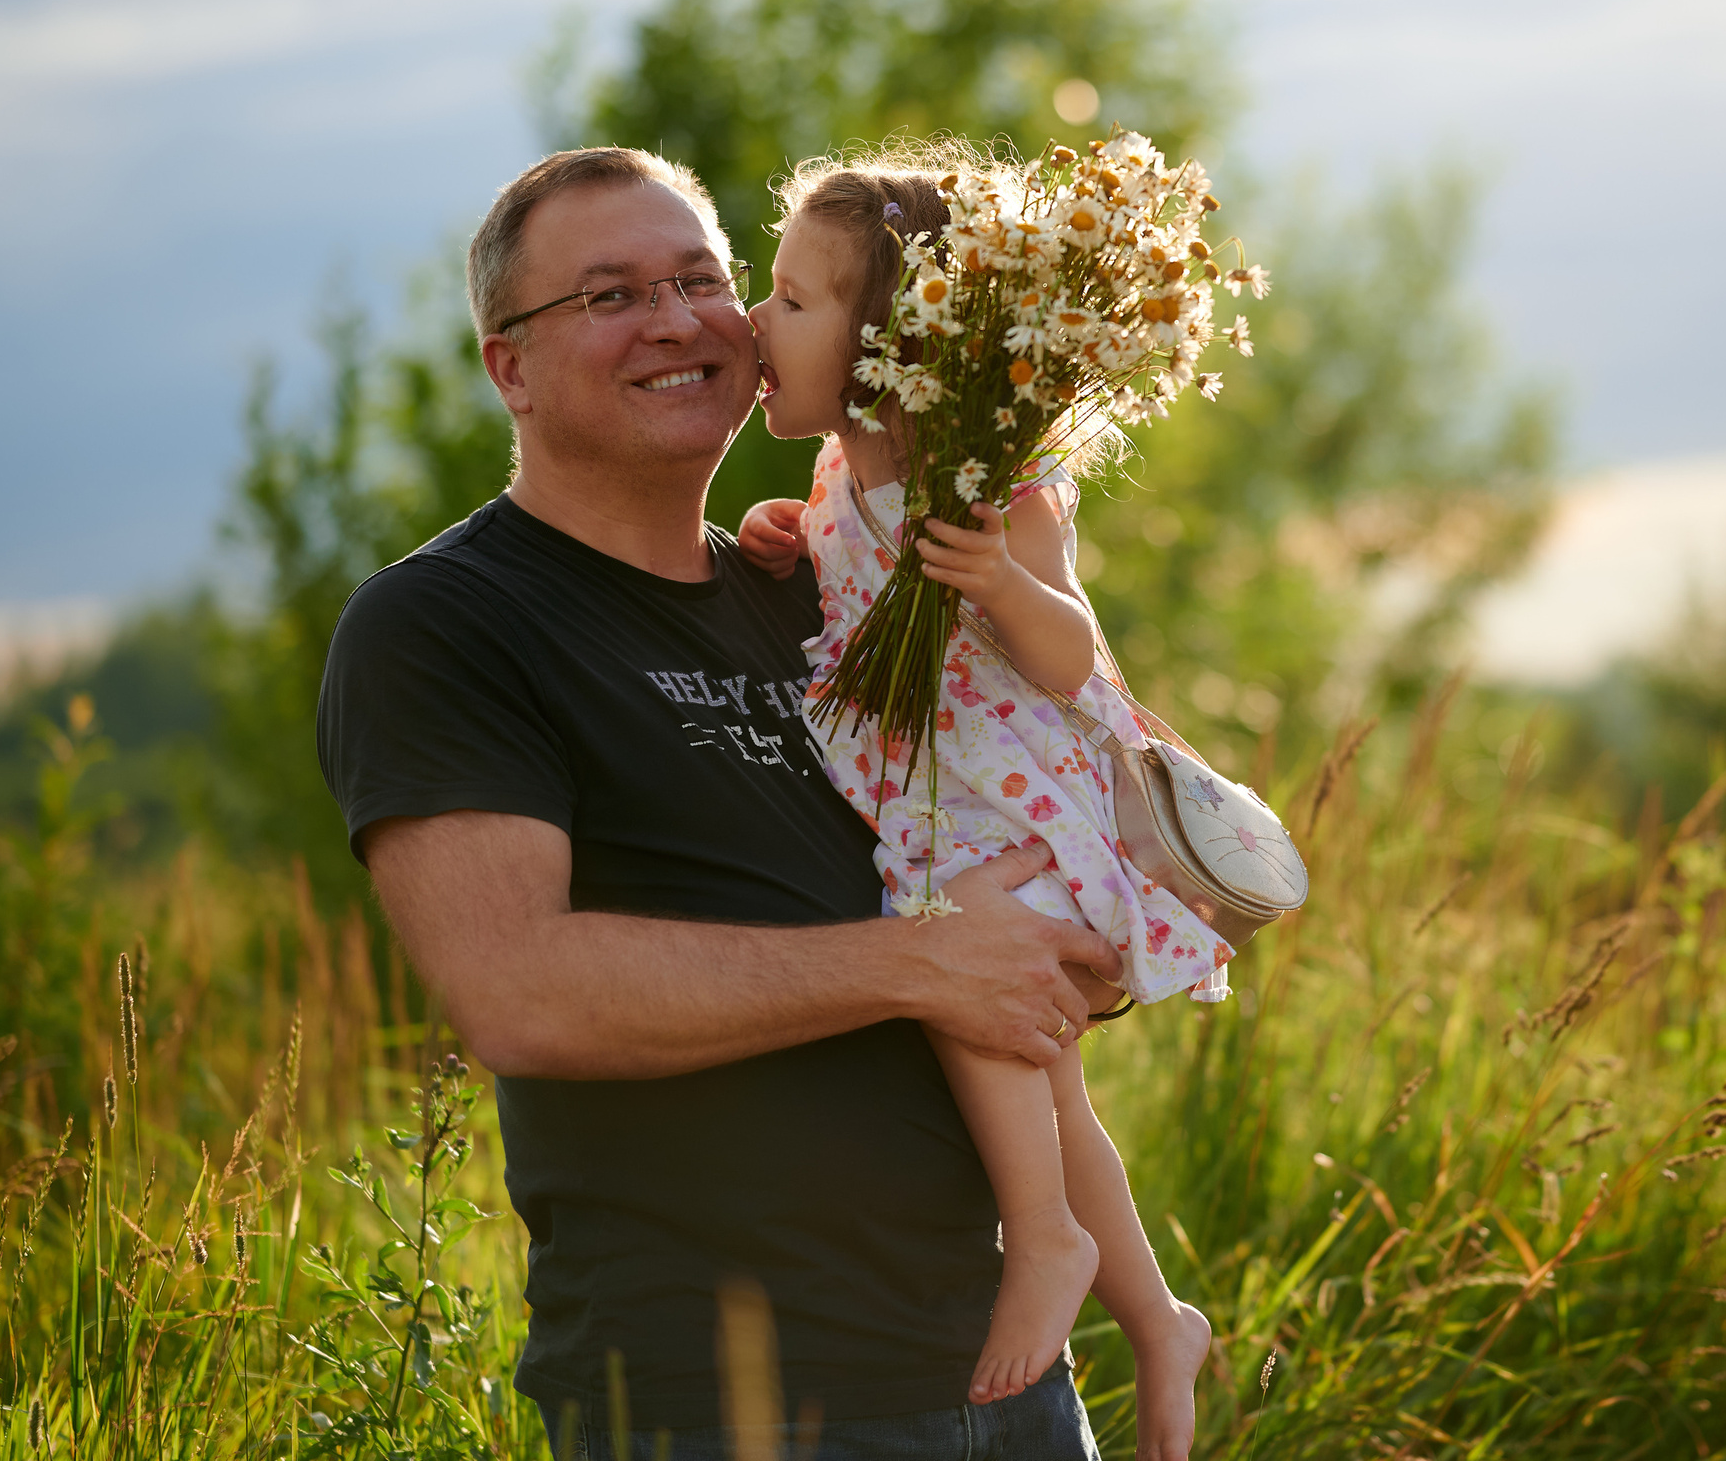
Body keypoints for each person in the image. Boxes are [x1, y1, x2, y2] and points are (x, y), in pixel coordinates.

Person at [315, 145, 1130, 1459]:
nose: (678, 319)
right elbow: (522, 992)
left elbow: (1028, 830)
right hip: (732, 1407)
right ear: (506, 366)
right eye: (608, 295)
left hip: (1007, 1381)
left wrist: (1079, 945)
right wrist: (922, 966)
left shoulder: (827, 585)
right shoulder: (447, 623)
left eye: (700, 279)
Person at [735, 151, 1220, 1461]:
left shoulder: (988, 475)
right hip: (934, 806)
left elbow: (1074, 660)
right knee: (1056, 1100)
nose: (751, 322)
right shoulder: (845, 475)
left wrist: (1005, 580)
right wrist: (798, 539)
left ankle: (1048, 1241)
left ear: (888, 335)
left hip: (1008, 815)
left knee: (969, 991)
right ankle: (1157, 1317)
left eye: (788, 300)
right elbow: (855, 595)